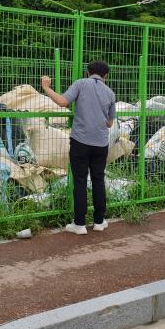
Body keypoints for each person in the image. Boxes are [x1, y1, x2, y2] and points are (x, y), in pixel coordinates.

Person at [41, 61, 116, 235]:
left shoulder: (81, 84)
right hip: (101, 143)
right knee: (98, 180)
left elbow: (62, 102)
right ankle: (99, 221)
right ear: (106, 76)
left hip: (80, 141)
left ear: (87, 73)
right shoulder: (110, 93)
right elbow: (110, 123)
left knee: (80, 181)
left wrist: (46, 87)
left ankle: (80, 224)